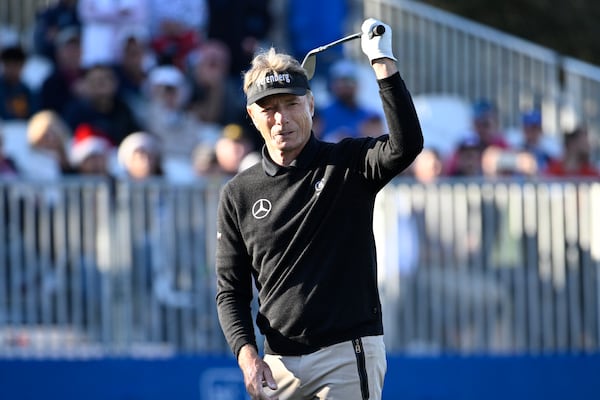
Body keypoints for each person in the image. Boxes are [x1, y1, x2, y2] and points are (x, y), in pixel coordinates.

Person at [215, 18, 423, 400]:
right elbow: (230, 289)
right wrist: (247, 355)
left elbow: (405, 146)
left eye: (292, 104)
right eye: (269, 109)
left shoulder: (347, 163)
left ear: (310, 104)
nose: (281, 119)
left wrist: (383, 63)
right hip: (276, 365)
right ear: (252, 117)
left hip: (346, 353)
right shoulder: (238, 193)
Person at [319, 59, 375, 142]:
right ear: (332, 85)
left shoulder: (370, 116)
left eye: (349, 82)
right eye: (340, 82)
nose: (345, 86)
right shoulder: (322, 115)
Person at [0, 46, 37, 120]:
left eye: (16, 65)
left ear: (22, 66)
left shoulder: (28, 91)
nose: (12, 70)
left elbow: (34, 115)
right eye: (8, 65)